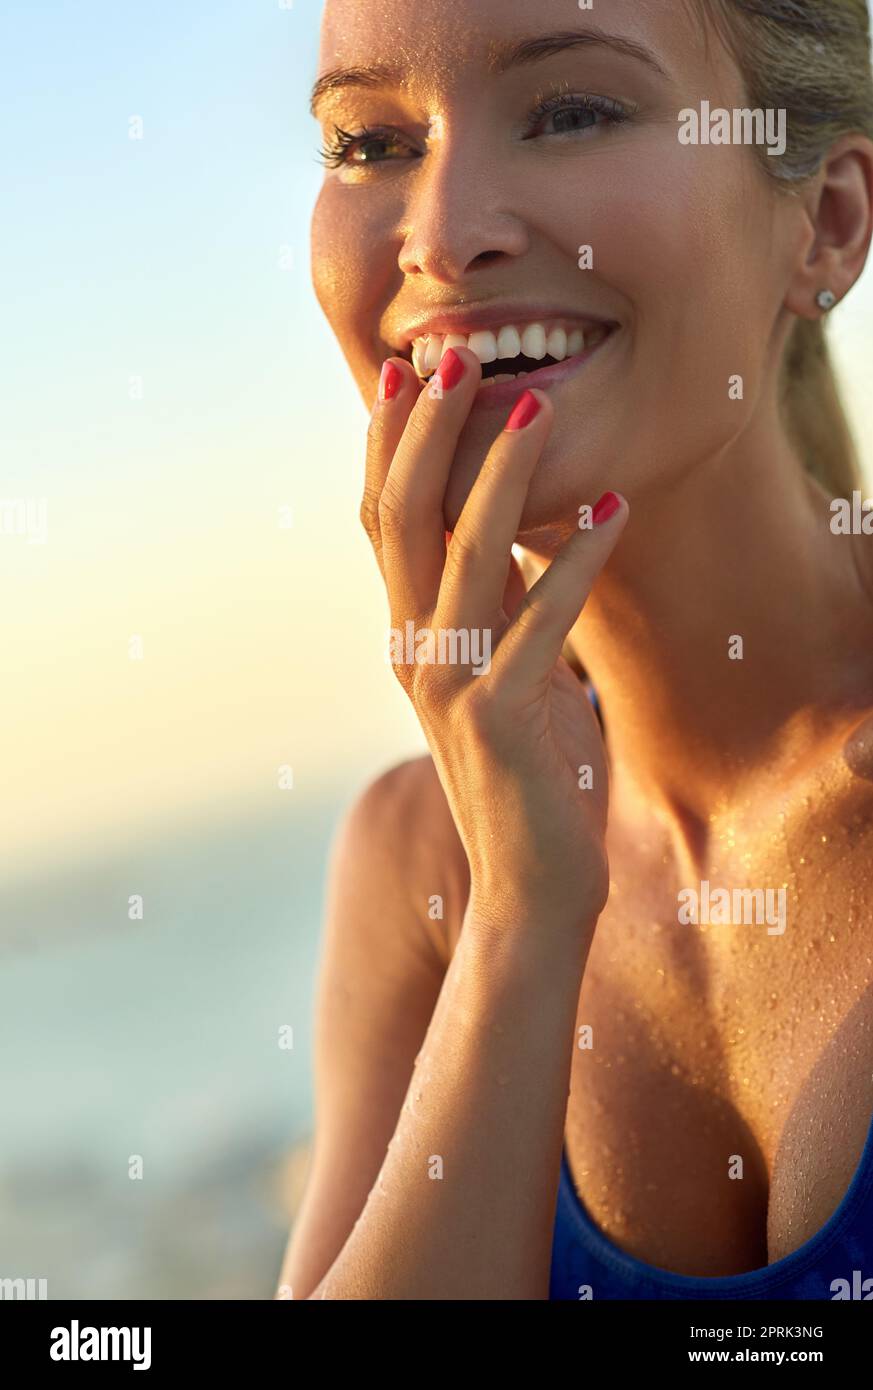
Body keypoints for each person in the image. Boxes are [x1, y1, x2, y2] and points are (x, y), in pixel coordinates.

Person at [279, 0, 873, 1298]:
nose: (440, 235)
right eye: (371, 144)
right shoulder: (417, 867)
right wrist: (518, 919)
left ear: (823, 222)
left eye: (573, 110)